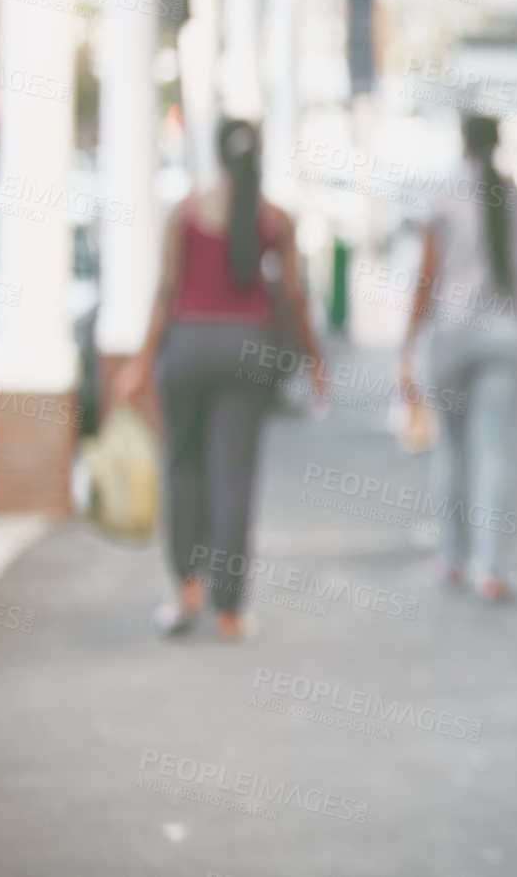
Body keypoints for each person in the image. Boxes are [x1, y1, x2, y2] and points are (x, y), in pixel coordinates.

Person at [115, 118, 326, 642]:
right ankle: (228, 610)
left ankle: (187, 586)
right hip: (247, 350)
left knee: (183, 465)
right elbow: (294, 296)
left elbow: (166, 291)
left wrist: (141, 361)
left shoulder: (185, 212)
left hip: (187, 346)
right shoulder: (275, 219)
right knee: (233, 476)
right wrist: (315, 360)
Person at [399, 114, 517, 602]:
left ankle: (452, 557)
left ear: (463, 143)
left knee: (452, 447)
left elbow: (426, 278)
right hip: (509, 335)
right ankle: (491, 569)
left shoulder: (443, 196)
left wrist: (408, 346)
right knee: (494, 451)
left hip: (452, 336)